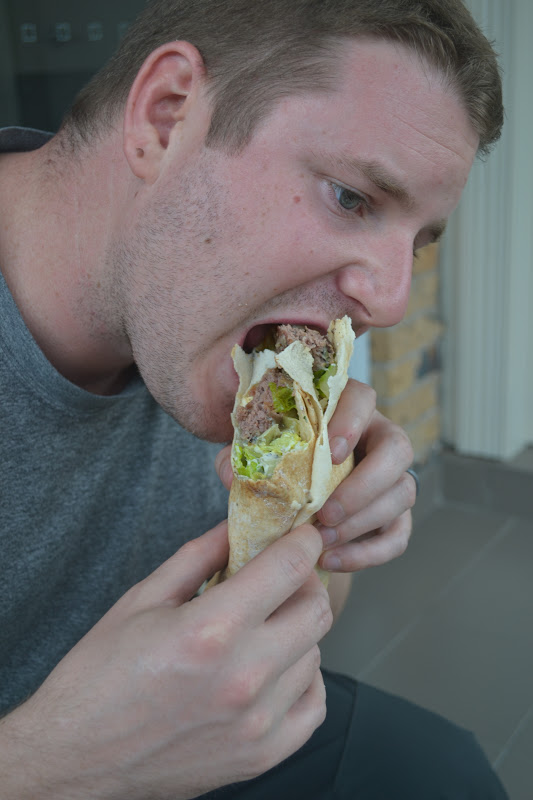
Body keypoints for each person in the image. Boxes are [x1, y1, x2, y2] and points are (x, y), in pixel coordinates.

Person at [0, 0, 507, 797]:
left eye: (414, 241)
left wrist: (321, 516)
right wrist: (45, 767)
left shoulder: (208, 321)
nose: (389, 301)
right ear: (166, 116)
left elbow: (278, 633)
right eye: (351, 198)